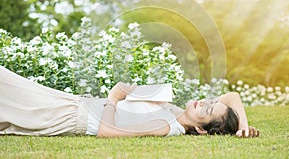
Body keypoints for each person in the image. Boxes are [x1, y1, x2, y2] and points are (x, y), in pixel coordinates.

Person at [0, 65, 259, 138]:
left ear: (201, 129)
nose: (202, 102)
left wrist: (113, 98)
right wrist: (243, 125)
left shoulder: (167, 124)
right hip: (71, 102)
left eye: (207, 109)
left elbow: (107, 131)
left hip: (68, 116)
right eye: (207, 100)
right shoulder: (174, 108)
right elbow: (231, 97)